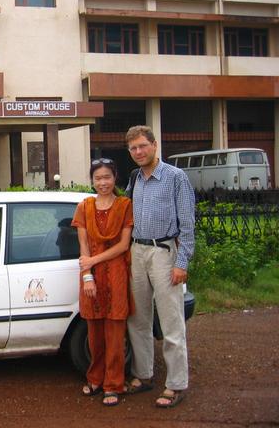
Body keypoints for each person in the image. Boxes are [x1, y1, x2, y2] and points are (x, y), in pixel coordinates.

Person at [124, 125, 195, 408]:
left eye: (143, 146)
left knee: (170, 321)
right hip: (137, 250)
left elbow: (187, 224)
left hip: (165, 252)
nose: (139, 152)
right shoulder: (135, 178)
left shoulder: (176, 177)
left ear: (154, 145)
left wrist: (182, 262)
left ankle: (176, 384)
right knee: (138, 318)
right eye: (133, 148)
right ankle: (143, 375)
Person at [72, 158, 133, 407]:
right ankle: (95, 379)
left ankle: (113, 384)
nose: (103, 182)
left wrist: (92, 261)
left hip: (117, 274)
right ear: (92, 181)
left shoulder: (124, 205)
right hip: (91, 276)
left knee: (115, 334)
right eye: (98, 178)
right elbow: (83, 245)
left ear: (115, 178)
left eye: (107, 177)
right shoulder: (84, 207)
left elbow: (123, 245)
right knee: (94, 335)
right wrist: (88, 275)